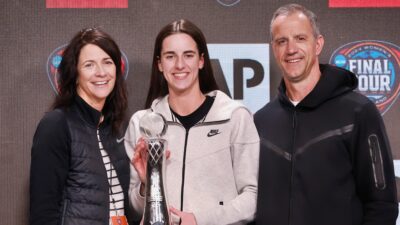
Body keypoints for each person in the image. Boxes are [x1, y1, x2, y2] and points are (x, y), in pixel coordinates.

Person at [254, 3, 398, 225]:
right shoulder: (262, 121)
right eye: (282, 41)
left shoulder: (358, 113)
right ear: (274, 48)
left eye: (300, 38)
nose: (291, 49)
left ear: (318, 44)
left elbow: (382, 204)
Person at [124, 19, 260, 225]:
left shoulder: (235, 117)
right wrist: (147, 184)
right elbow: (135, 208)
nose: (180, 65)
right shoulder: (142, 123)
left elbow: (252, 197)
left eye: (188, 55)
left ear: (201, 60)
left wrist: (200, 220)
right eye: (170, 56)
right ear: (160, 64)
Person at [30, 27, 134, 225]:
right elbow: (43, 213)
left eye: (107, 62)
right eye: (89, 65)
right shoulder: (56, 125)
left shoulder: (114, 129)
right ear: (75, 73)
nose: (101, 72)